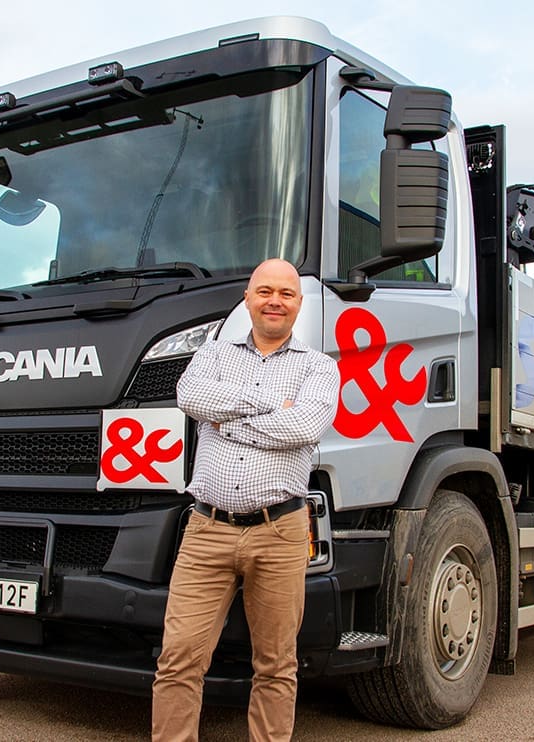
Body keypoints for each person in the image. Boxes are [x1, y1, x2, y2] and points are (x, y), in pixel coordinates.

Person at [151, 258, 340, 742]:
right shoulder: (212, 354)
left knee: (276, 665)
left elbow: (303, 428)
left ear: (299, 304)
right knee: (178, 659)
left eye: (286, 293)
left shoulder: (320, 367)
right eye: (264, 291)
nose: (274, 301)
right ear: (248, 298)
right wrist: (269, 405)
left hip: (280, 532)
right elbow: (189, 396)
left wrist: (227, 416)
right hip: (206, 530)